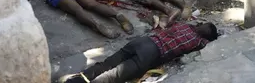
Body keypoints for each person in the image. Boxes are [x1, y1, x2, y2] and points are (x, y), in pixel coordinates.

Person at [65, 22, 218, 83]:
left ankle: (78, 79)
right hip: (152, 53)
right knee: (115, 75)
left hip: (143, 41)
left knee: (107, 64)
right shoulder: (198, 41)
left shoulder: (185, 25)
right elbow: (210, 43)